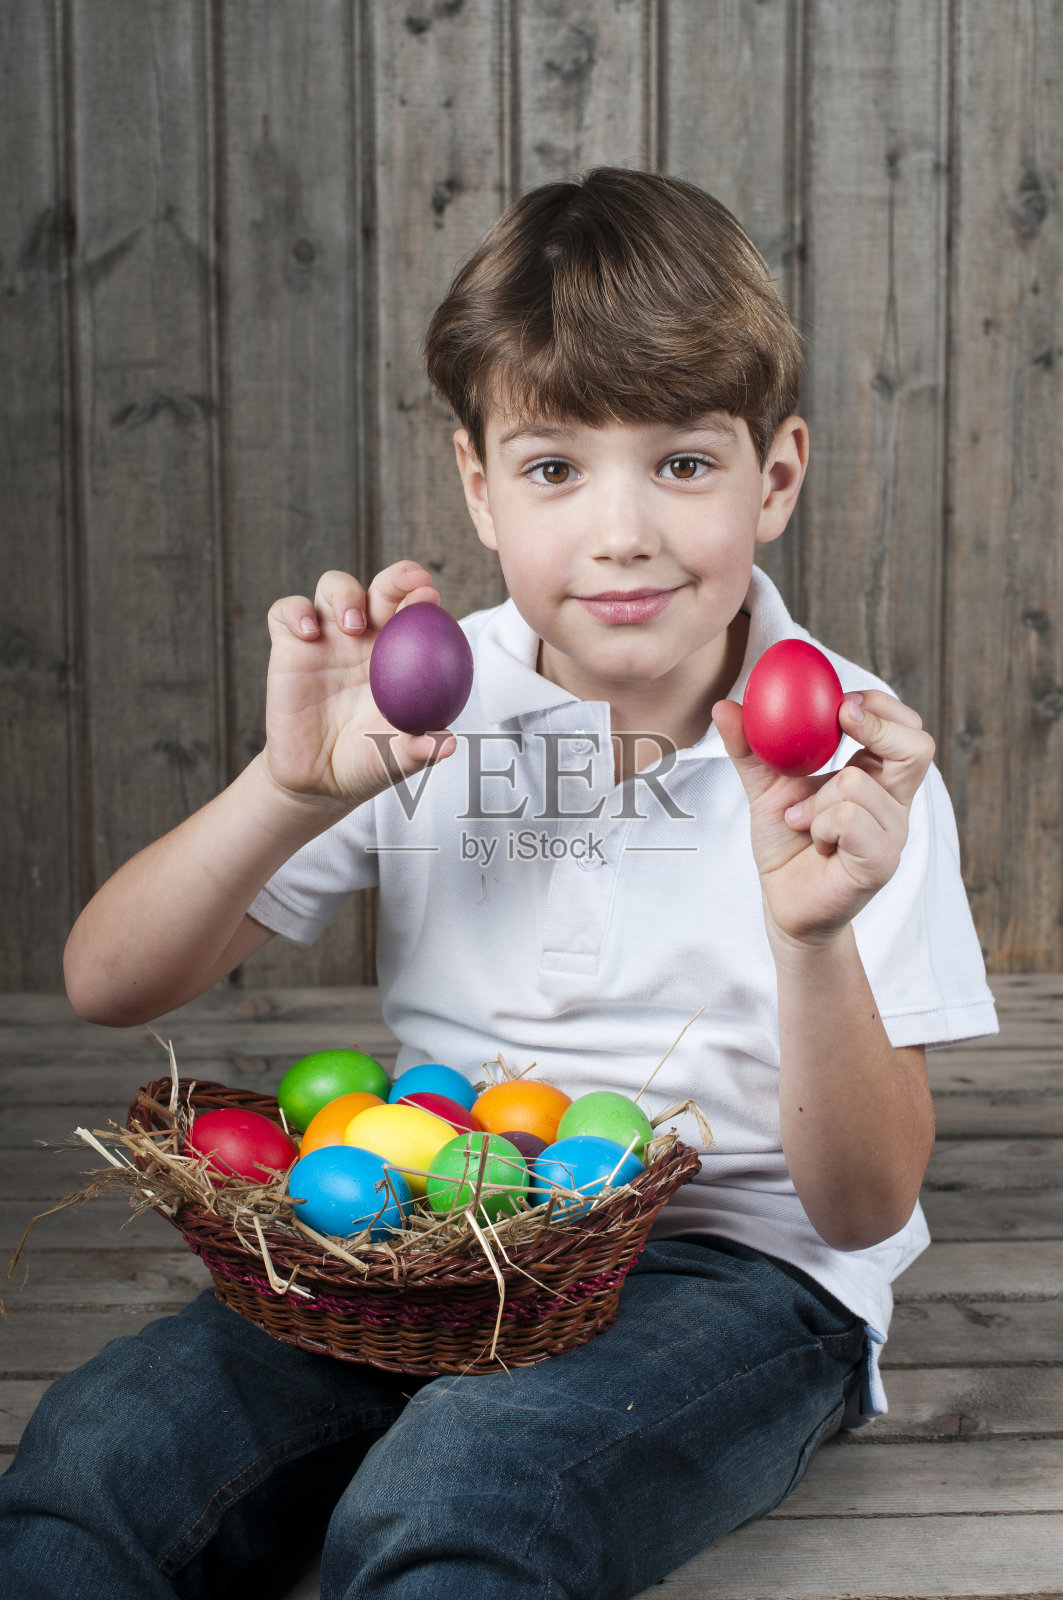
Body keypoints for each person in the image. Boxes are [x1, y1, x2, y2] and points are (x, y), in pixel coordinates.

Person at [0, 168, 996, 1600]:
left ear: (775, 477)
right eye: (553, 469)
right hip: (418, 1233)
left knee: (463, 1493)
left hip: (736, 1271)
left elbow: (859, 1209)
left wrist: (813, 936)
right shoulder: (428, 705)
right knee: (102, 1448)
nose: (620, 531)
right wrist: (287, 791)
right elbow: (108, 983)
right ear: (478, 485)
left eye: (682, 465)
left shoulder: (851, 763)